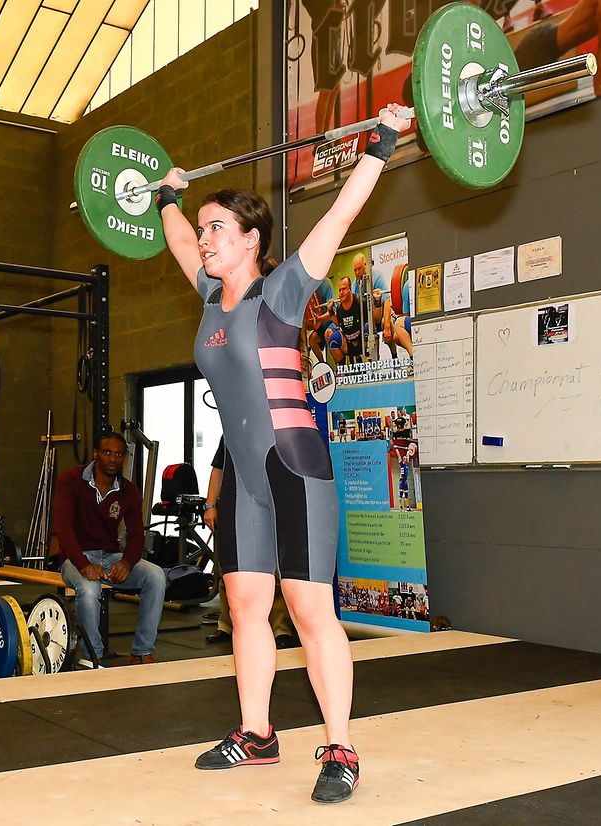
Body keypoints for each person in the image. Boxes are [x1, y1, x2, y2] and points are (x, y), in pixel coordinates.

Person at [158, 101, 411, 804]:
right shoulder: (210, 295)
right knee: (245, 605)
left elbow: (340, 217)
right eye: (204, 229)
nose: (204, 239)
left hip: (294, 467)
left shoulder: (282, 292)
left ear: (251, 239)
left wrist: (382, 142)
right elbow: (176, 241)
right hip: (245, 477)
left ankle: (341, 746)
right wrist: (168, 197)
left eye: (216, 228)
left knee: (307, 608)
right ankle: (257, 734)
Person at [53, 431, 166, 667]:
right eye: (107, 452)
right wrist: (83, 564)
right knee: (89, 589)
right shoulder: (70, 480)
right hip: (75, 558)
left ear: (124, 457)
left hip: (111, 556)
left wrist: (127, 562)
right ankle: (92, 657)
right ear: (95, 454)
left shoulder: (128, 490)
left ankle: (142, 651)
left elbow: (137, 534)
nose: (113, 459)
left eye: (119, 454)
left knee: (156, 575)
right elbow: (63, 529)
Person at [203, 438, 295, 648]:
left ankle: (280, 628)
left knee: (275, 571)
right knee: (229, 570)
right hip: (235, 503)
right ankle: (226, 625)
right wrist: (210, 505)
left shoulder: (279, 429)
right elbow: (218, 468)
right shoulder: (231, 430)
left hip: (272, 504)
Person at [513, 0, 601, 97]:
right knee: (505, 84)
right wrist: (600, 87)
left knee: (509, 93)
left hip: (552, 48)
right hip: (542, 42)